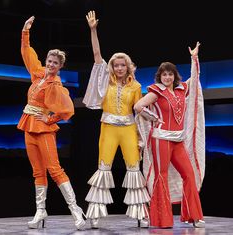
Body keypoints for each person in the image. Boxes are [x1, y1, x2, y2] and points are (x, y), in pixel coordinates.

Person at [83, 10, 150, 229]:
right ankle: (94, 215)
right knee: (103, 168)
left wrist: (143, 135)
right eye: (116, 65)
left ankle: (141, 214)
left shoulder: (136, 86)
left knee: (133, 168)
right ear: (112, 67)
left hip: (129, 129)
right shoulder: (106, 81)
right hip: (109, 128)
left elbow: (139, 112)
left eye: (123, 65)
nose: (119, 68)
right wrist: (93, 30)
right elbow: (96, 54)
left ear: (128, 67)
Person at [17, 16, 86, 230]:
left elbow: (67, 108)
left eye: (55, 63)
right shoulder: (38, 75)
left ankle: (76, 210)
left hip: (44, 128)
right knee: (38, 171)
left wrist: (49, 118)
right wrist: (25, 31)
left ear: (60, 66)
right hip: (29, 124)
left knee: (55, 169)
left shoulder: (56, 84)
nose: (51, 65)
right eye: (49, 61)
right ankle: (40, 211)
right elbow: (27, 54)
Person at [134, 42, 206, 228]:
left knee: (189, 174)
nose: (167, 77)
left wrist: (194, 58)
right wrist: (154, 118)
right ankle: (162, 219)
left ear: (174, 75)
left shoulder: (182, 89)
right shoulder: (156, 91)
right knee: (161, 177)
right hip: (161, 140)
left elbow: (195, 79)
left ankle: (194, 216)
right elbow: (138, 106)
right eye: (164, 74)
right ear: (160, 76)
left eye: (170, 74)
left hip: (178, 140)